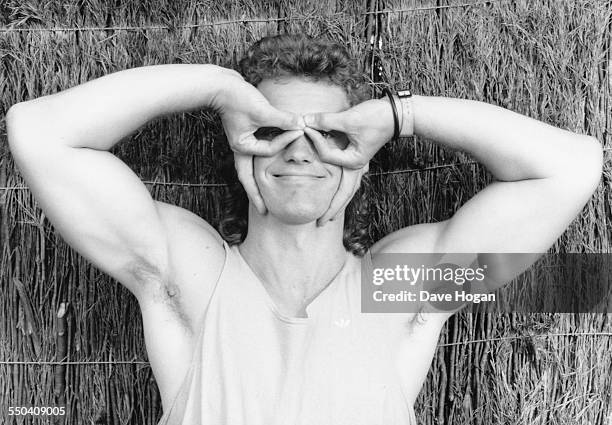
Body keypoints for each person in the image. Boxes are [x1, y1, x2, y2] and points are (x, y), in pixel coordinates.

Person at [6, 34, 602, 425]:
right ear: (243, 147)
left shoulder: (394, 294)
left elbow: (572, 168)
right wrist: (218, 89)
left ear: (362, 154)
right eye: (274, 130)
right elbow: (37, 132)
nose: (301, 151)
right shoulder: (193, 276)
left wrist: (402, 115)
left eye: (330, 135)